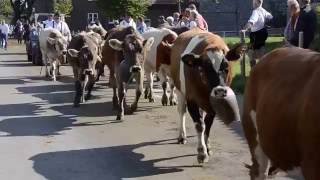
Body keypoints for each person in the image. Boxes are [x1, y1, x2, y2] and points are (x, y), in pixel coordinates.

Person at [241, 0, 273, 67]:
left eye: (254, 1)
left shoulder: (255, 12)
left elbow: (251, 22)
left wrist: (244, 29)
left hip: (256, 34)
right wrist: (265, 22)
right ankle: (263, 66)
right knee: (260, 50)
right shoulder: (263, 10)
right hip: (263, 33)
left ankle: (255, 69)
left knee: (250, 52)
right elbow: (270, 16)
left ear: (258, 2)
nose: (252, 3)